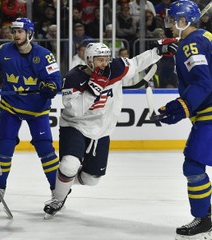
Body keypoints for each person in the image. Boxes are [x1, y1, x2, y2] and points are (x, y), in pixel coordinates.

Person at [43, 40, 178, 218]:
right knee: (69, 165)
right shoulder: (73, 78)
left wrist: (159, 51)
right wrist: (92, 90)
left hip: (101, 130)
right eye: (100, 60)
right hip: (75, 126)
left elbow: (137, 62)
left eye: (106, 59)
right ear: (89, 60)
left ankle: (64, 182)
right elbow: (74, 111)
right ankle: (57, 199)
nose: (105, 64)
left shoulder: (116, 67)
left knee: (92, 180)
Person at [0, 17, 62, 209]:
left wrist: (51, 86)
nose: (16, 35)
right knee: (4, 149)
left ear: (30, 34)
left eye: (20, 32)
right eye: (14, 31)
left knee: (46, 151)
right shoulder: (3, 52)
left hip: (37, 110)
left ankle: (58, 192)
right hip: (11, 108)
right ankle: (0, 187)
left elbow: (56, 79)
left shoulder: (45, 55)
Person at [157, 1, 212, 239]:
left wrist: (183, 105)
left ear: (183, 21)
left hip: (210, 115)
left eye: (172, 20)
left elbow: (202, 81)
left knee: (193, 165)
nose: (169, 25)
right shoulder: (201, 38)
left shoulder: (192, 43)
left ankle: (203, 218)